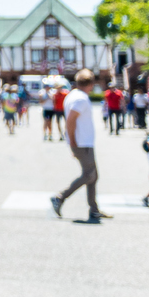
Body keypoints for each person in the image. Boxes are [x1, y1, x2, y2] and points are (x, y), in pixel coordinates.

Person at [50, 70, 105, 224]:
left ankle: (94, 209)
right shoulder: (80, 98)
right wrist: (72, 141)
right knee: (89, 175)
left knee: (93, 176)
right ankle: (60, 197)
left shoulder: (74, 95)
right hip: (82, 142)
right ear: (91, 84)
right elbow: (71, 120)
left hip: (83, 141)